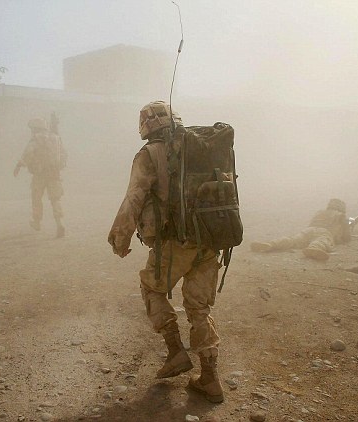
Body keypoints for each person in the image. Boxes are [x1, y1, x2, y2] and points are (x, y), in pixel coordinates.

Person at [108, 101, 224, 403]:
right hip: (210, 239)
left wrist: (120, 236)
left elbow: (134, 196)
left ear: (146, 126)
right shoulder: (203, 147)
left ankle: (175, 352)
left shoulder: (149, 154)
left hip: (174, 242)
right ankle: (210, 378)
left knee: (151, 288)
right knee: (200, 309)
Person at [14, 117, 67, 238]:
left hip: (39, 174)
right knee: (55, 199)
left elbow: (28, 152)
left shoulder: (36, 139)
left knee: (36, 198)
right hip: (54, 173)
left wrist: (19, 165)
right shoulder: (56, 138)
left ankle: (37, 222)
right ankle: (60, 223)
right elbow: (63, 154)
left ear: (35, 129)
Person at [250, 198, 351, 260]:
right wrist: (343, 238)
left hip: (309, 230)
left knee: (293, 240)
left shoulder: (320, 212)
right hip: (324, 232)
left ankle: (272, 244)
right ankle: (315, 248)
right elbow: (346, 236)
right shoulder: (340, 215)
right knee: (321, 241)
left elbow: (312, 223)